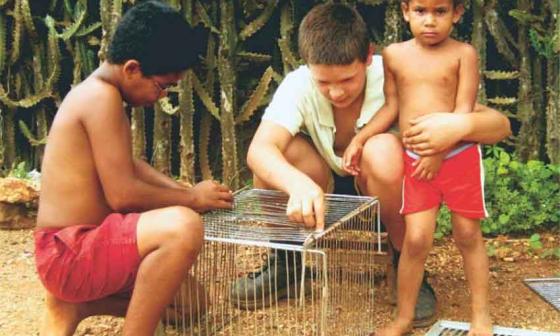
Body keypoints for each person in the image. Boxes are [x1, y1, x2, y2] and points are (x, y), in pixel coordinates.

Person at [238, 2, 510, 329]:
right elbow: (259, 151)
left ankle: (401, 262)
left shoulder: (399, 69)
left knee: (383, 149)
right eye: (324, 82)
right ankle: (286, 260)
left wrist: (458, 127)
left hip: (382, 189)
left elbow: (499, 125)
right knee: (284, 154)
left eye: (348, 79)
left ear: (368, 57)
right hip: (319, 187)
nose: (336, 92)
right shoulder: (299, 84)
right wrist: (298, 184)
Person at [34, 2, 233, 335]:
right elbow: (123, 195)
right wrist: (192, 202)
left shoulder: (100, 93)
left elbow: (130, 166)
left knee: (190, 303)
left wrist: (183, 191)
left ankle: (79, 304)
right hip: (69, 253)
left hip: (87, 249)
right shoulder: (100, 99)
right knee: (182, 226)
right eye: (162, 86)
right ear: (132, 69)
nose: (161, 96)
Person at [343, 1, 493, 335]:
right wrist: (361, 137)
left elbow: (463, 112)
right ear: (406, 11)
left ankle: (481, 317)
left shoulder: (463, 54)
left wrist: (440, 149)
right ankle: (403, 318)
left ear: (457, 13)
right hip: (415, 160)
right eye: (421, 11)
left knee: (467, 235)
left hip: (459, 156)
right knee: (416, 239)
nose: (430, 21)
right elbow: (393, 106)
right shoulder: (394, 55)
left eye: (440, 12)